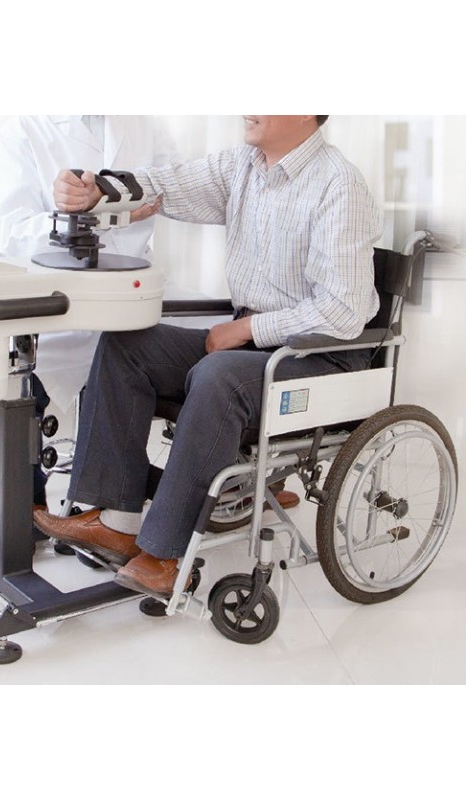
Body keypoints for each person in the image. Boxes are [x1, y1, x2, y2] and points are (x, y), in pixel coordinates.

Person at [33, 115, 382, 596]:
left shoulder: (339, 185)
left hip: (322, 356)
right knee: (126, 344)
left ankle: (165, 553)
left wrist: (246, 328)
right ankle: (115, 522)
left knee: (219, 376)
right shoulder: (243, 166)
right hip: (254, 344)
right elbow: (165, 184)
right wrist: (97, 190)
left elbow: (342, 311)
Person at [0, 115, 177, 510]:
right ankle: (29, 511)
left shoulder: (147, 127)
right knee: (7, 391)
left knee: (126, 380)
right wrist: (84, 215)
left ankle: (110, 509)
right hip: (59, 301)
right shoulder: (22, 130)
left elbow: (172, 191)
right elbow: (11, 232)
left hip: (129, 295)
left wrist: (107, 203)